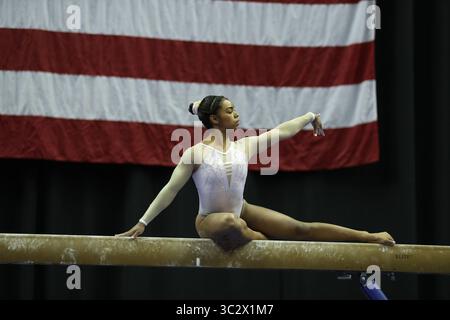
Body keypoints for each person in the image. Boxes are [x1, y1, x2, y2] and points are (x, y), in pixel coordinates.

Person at [116, 95, 395, 250]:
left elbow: (282, 131)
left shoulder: (245, 145)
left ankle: (368, 236)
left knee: (300, 228)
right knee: (230, 223)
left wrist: (310, 116)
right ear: (214, 119)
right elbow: (170, 190)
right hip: (209, 220)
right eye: (230, 110)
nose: (236, 114)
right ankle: (258, 238)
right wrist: (143, 222)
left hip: (242, 210)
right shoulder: (195, 153)